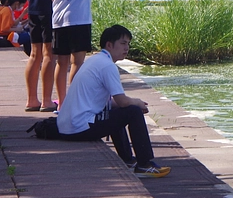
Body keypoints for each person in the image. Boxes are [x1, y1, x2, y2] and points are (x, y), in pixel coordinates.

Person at [53, 25, 170, 178]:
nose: (126, 48)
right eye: (123, 43)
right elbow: (122, 102)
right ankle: (144, 164)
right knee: (133, 112)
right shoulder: (107, 66)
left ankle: (128, 160)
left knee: (119, 113)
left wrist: (131, 103)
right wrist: (137, 102)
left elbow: (110, 103)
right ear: (109, 44)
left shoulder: (95, 60)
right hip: (78, 127)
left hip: (68, 126)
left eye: (128, 43)